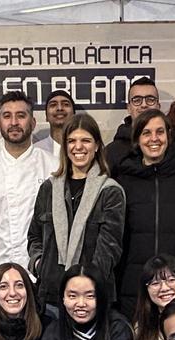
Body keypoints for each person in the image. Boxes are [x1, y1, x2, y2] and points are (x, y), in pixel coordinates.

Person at [28, 113, 126, 311]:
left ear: (97, 145)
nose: (78, 147)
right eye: (71, 141)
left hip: (92, 299)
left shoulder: (110, 192)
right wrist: (40, 265)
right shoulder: (48, 188)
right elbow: (34, 237)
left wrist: (82, 288)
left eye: (85, 140)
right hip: (50, 297)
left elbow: (109, 249)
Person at [114, 109, 175, 314]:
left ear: (169, 136)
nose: (154, 139)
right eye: (146, 133)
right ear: (137, 139)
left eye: (160, 132)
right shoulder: (122, 182)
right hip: (133, 289)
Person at [0, 91, 56, 272]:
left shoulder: (54, 167)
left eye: (21, 116)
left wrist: (48, 268)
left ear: (33, 122)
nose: (14, 122)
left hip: (45, 272)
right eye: (7, 116)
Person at [105, 76, 161, 175]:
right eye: (137, 100)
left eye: (150, 99)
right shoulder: (112, 152)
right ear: (129, 108)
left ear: (158, 106)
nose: (144, 105)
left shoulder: (171, 146)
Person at [33, 89, 76, 157]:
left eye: (66, 104)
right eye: (53, 105)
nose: (59, 108)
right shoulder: (35, 151)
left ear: (74, 115)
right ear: (46, 116)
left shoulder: (83, 149)